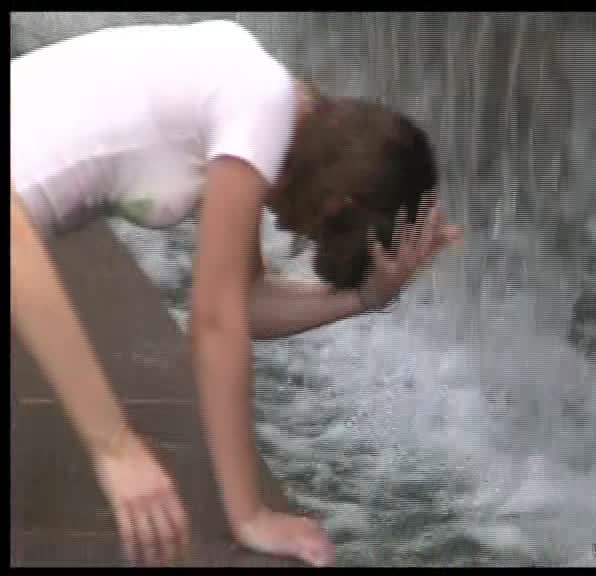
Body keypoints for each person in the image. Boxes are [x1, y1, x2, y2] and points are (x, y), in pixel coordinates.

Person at [10, 19, 462, 567]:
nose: (291, 230)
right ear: (337, 208)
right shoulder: (259, 105)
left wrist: (365, 297)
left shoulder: (249, 100)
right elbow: (215, 324)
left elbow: (245, 306)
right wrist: (121, 451)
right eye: (316, 234)